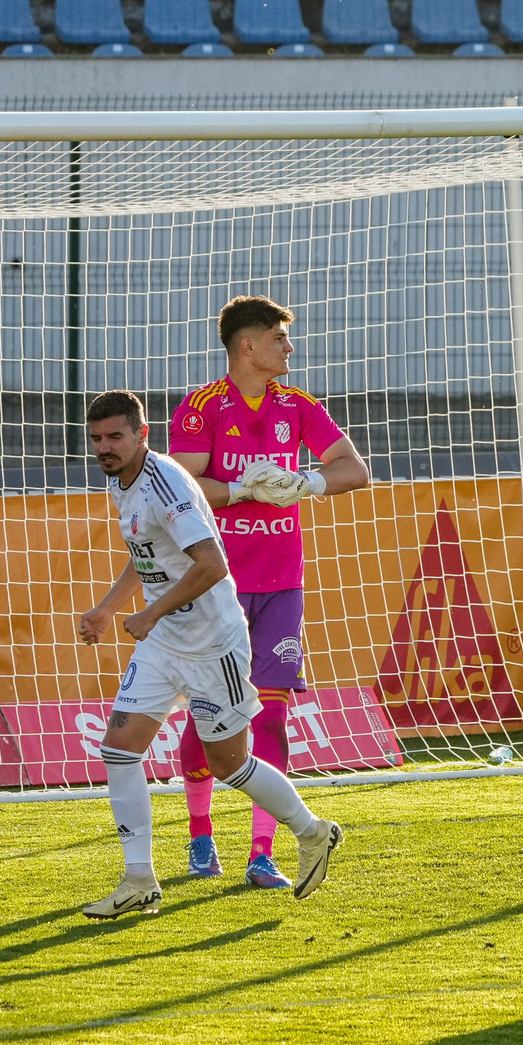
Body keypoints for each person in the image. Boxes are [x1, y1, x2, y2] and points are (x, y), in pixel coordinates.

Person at [75, 391, 344, 921]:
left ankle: (313, 832)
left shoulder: (166, 481)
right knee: (120, 749)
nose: (104, 448)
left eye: (115, 437)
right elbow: (145, 554)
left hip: (212, 643)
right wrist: (108, 609)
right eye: (96, 439)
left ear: (141, 434)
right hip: (164, 644)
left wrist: (149, 615)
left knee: (228, 764)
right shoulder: (118, 481)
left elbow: (212, 563)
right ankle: (139, 880)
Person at [166, 297, 371, 887]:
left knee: (273, 719)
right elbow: (184, 489)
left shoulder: (298, 406)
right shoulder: (202, 407)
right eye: (280, 338)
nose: (290, 348)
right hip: (216, 585)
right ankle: (201, 840)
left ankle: (263, 853)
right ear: (247, 346)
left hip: (281, 585)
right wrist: (244, 488)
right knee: (209, 717)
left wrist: (303, 483)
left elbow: (355, 470)